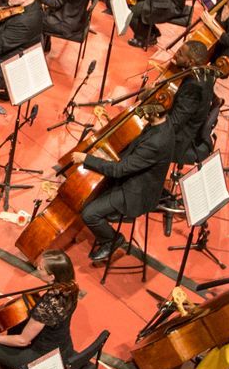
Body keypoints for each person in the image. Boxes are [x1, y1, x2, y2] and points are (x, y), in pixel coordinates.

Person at [76, 43, 216, 262]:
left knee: (91, 209)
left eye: (180, 53)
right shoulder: (200, 75)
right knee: (127, 150)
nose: (175, 54)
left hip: (147, 180)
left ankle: (111, 239)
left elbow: (177, 121)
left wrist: (88, 159)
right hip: (151, 162)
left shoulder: (160, 137)